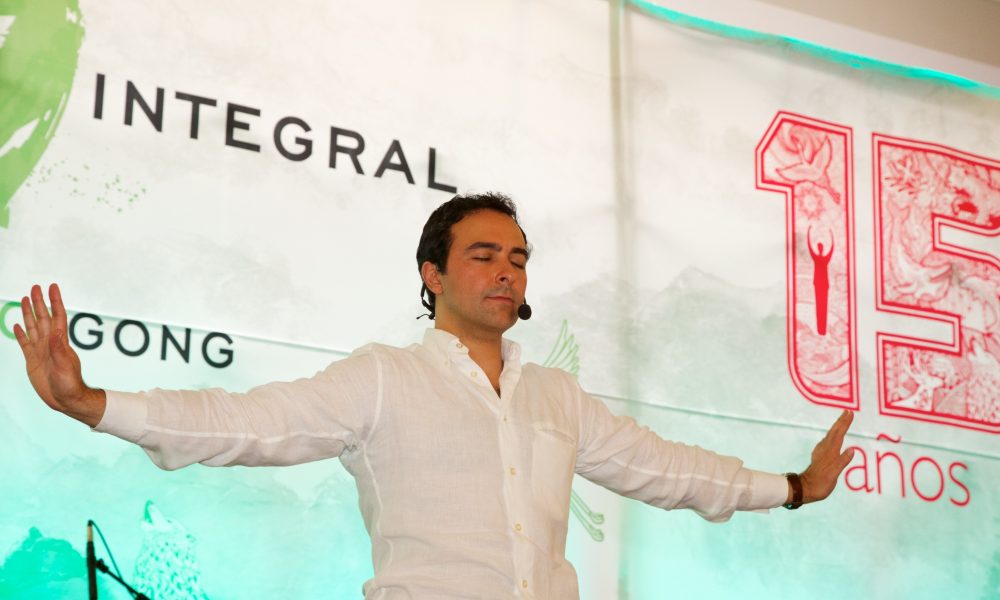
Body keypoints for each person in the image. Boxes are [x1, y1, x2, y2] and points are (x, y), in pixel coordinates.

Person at [14, 192, 855, 598]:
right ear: (434, 274)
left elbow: (666, 470)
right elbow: (248, 423)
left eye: (518, 259)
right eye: (484, 255)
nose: (506, 271)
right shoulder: (386, 376)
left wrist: (792, 488)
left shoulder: (556, 395)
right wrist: (92, 403)